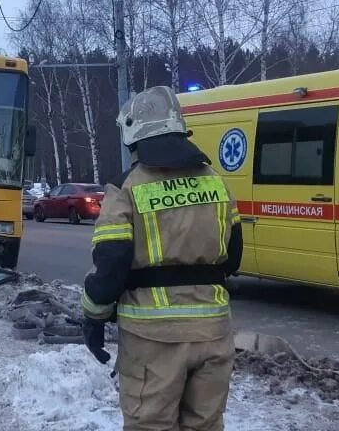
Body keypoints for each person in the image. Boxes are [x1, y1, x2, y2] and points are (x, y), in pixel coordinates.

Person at [80, 86, 243, 431]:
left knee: (150, 425)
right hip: (214, 332)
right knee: (206, 424)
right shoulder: (217, 183)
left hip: (153, 338)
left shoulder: (126, 189)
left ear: (133, 136)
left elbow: (110, 265)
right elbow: (233, 258)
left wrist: (94, 318)